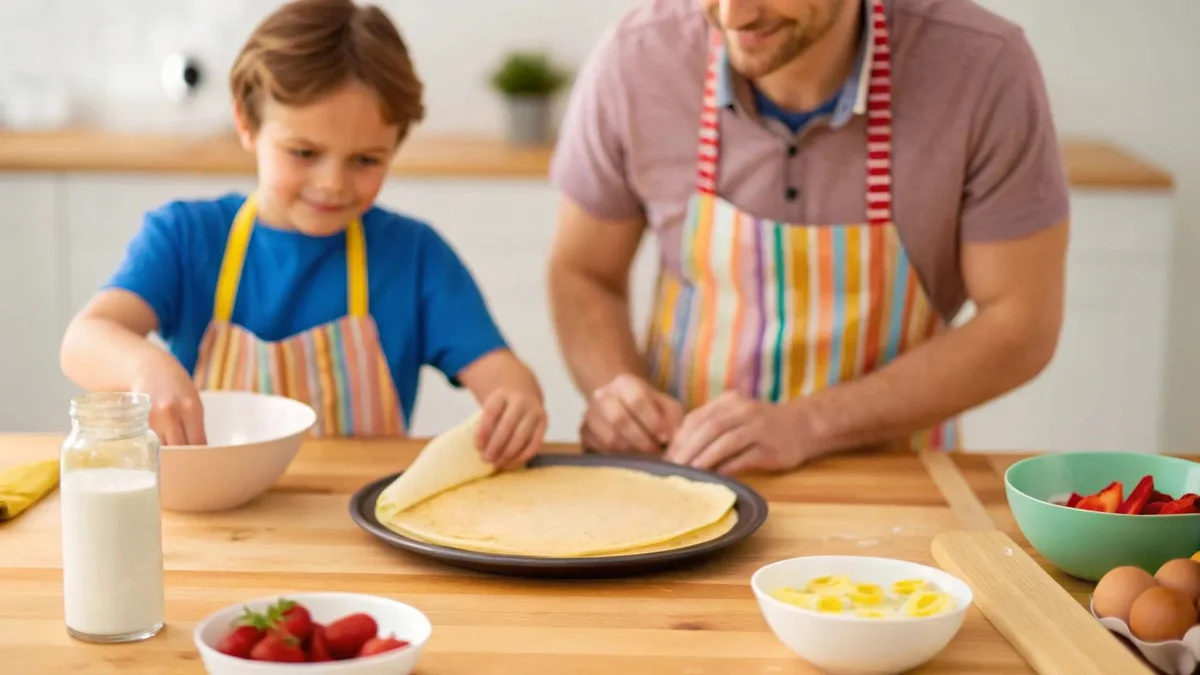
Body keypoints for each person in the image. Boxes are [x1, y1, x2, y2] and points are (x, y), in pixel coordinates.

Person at [547, 0, 1069, 475]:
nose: (731, 16)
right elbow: (583, 271)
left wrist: (811, 423)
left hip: (896, 479)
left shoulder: (982, 67)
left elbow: (1020, 323)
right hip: (685, 470)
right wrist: (616, 391)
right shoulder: (638, 56)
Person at [59, 0, 546, 469]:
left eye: (366, 160)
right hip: (210, 522)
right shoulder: (185, 237)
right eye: (304, 152)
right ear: (247, 125)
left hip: (355, 527)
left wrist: (519, 404)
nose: (332, 183)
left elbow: (506, 380)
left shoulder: (415, 258)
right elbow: (82, 340)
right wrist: (146, 368)